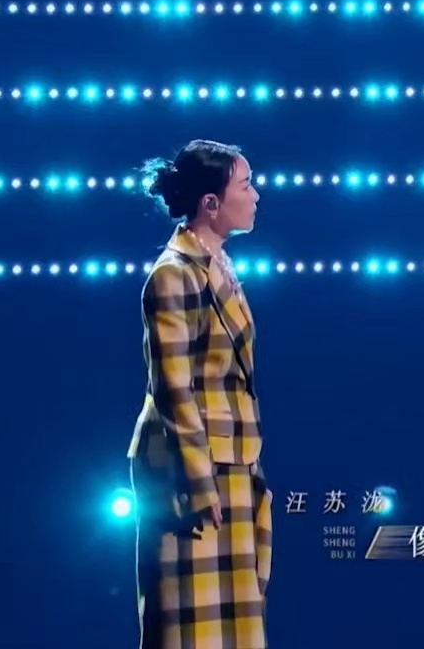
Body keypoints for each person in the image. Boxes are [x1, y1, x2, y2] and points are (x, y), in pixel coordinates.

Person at [128, 139, 271, 649]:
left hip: (232, 461)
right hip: (192, 473)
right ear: (211, 203)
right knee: (190, 626)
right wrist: (198, 482)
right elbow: (173, 385)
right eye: (245, 185)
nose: (255, 195)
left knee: (235, 623)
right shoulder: (174, 274)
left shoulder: (218, 263)